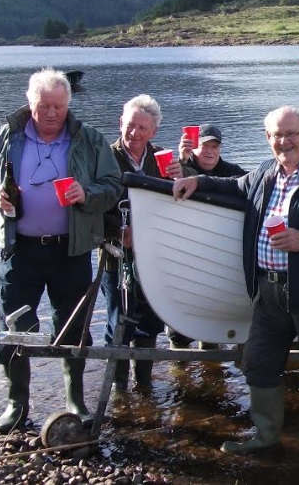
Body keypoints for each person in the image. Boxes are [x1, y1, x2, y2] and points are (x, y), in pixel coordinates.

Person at [172, 105, 299, 466]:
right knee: (259, 365)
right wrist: (198, 181)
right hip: (269, 291)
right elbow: (234, 185)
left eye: (291, 134)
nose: (284, 141)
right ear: (267, 138)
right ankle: (265, 438)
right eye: (277, 135)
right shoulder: (264, 172)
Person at [0, 67, 122, 434]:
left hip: (70, 251)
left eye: (58, 106)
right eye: (44, 106)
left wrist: (87, 193)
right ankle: (17, 402)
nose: (51, 113)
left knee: (74, 325)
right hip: (19, 251)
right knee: (14, 326)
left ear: (68, 103)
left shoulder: (89, 138)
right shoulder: (7, 136)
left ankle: (75, 400)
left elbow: (113, 185)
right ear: (30, 103)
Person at [102, 94, 183, 390]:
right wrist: (117, 231)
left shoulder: (162, 157)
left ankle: (144, 385)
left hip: (154, 257)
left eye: (142, 128)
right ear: (120, 123)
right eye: (130, 125)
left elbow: (181, 202)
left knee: (149, 320)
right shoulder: (104, 157)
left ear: (154, 131)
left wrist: (182, 176)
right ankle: (119, 389)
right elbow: (90, 205)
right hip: (115, 255)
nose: (134, 133)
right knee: (119, 322)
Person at [167, 122, 248, 350]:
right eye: (205, 146)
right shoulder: (177, 167)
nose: (210, 151)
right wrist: (182, 162)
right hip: (182, 252)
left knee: (212, 326)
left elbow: (248, 186)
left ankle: (211, 363)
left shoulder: (232, 171)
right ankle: (178, 363)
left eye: (215, 146)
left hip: (217, 253)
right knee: (178, 332)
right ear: (193, 147)